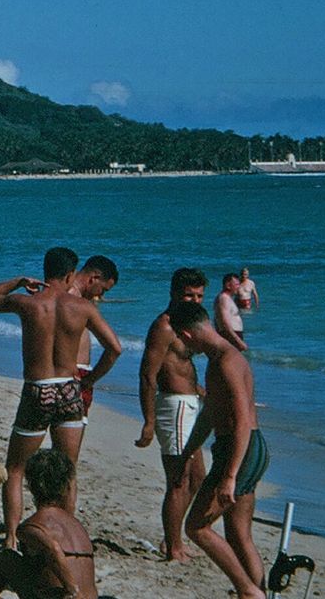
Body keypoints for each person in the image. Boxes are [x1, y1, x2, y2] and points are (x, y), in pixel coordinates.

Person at [0, 247, 120, 548]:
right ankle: (65, 537)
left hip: (38, 388)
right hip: (69, 388)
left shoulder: (28, 303)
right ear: (71, 274)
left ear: (44, 272)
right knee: (67, 468)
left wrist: (18, 281)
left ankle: (11, 538)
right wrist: (91, 379)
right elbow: (115, 348)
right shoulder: (82, 307)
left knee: (15, 468)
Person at [168, 301, 268, 599]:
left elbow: (241, 422)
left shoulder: (226, 361)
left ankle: (248, 591)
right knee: (239, 536)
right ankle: (256, 592)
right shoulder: (217, 359)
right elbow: (211, 414)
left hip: (240, 450)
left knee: (197, 527)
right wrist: (188, 450)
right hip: (245, 447)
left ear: (186, 335)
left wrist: (230, 475)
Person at [0, 448, 95, 599]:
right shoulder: (78, 527)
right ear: (67, 487)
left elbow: (53, 549)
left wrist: (72, 590)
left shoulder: (32, 526)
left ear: (31, 486)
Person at [133, 267, 208, 562]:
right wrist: (148, 421)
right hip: (173, 407)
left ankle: (173, 537)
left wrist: (200, 390)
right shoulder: (164, 327)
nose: (194, 300)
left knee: (198, 478)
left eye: (199, 295)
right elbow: (147, 375)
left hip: (190, 404)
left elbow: (180, 367)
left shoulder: (189, 324)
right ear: (174, 293)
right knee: (178, 480)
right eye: (189, 294)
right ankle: (173, 545)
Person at [69, 256, 119, 415]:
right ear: (94, 278)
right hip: (75, 373)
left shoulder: (62, 293)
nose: (100, 295)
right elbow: (114, 349)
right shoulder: (77, 302)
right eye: (103, 289)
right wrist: (90, 380)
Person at [213, 273, 249, 352]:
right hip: (230, 337)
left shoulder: (226, 298)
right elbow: (225, 323)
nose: (239, 287)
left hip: (231, 335)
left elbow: (216, 321)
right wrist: (239, 341)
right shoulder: (223, 298)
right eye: (236, 284)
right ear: (228, 285)